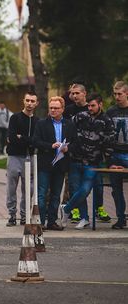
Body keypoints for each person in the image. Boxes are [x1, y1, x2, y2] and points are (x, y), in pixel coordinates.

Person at [60, 93, 115, 229]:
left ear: (100, 105)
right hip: (75, 159)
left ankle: (66, 209)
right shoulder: (80, 116)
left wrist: (108, 162)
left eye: (93, 105)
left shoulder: (107, 121)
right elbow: (68, 129)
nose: (90, 108)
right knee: (75, 189)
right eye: (89, 105)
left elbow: (109, 144)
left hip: (92, 162)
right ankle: (84, 218)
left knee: (84, 189)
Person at [32, 96, 76, 230]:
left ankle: (52, 221)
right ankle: (40, 221)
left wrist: (67, 148)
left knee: (56, 195)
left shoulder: (69, 124)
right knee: (42, 193)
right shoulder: (41, 123)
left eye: (56, 108)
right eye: (51, 108)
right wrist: (50, 145)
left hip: (61, 164)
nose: (53, 110)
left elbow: (76, 143)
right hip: (45, 163)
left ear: (62, 109)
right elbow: (35, 141)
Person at [5, 92, 39, 227]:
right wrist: (24, 140)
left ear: (36, 103)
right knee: (11, 187)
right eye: (28, 100)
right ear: (23, 101)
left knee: (28, 189)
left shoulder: (37, 121)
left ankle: (25, 215)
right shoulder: (15, 118)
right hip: (14, 157)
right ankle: (12, 215)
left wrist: (22, 138)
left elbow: (36, 141)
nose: (30, 103)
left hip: (29, 158)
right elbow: (11, 138)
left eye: (32, 101)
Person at [106, 81, 128, 229]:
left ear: (127, 93)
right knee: (116, 189)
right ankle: (121, 218)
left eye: (120, 94)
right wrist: (108, 158)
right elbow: (106, 135)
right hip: (115, 154)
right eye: (115, 94)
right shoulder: (110, 112)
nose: (117, 97)